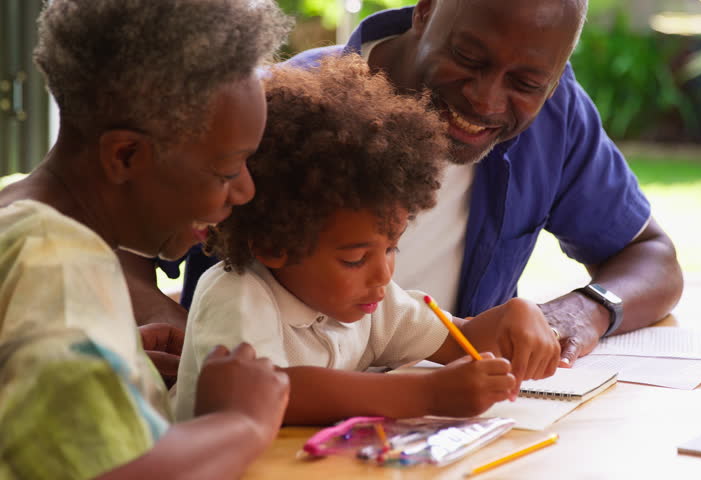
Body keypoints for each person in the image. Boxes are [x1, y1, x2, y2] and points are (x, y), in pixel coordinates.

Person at [134, 0, 684, 366]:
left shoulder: (557, 114)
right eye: (468, 58)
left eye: (527, 82)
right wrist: (184, 328)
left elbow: (650, 255)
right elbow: (104, 238)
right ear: (424, 12)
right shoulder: (276, 109)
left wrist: (581, 310)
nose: (486, 100)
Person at [173, 56, 562, 425]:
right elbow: (269, 390)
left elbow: (459, 341)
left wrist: (514, 318)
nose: (383, 273)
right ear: (274, 245)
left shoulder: (373, 303)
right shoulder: (236, 297)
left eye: (391, 247)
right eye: (355, 259)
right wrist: (426, 393)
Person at [0, 1, 292, 478]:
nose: (246, 191)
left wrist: (111, 368)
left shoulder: (19, 222)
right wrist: (243, 422)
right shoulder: (56, 265)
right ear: (126, 155)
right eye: (226, 170)